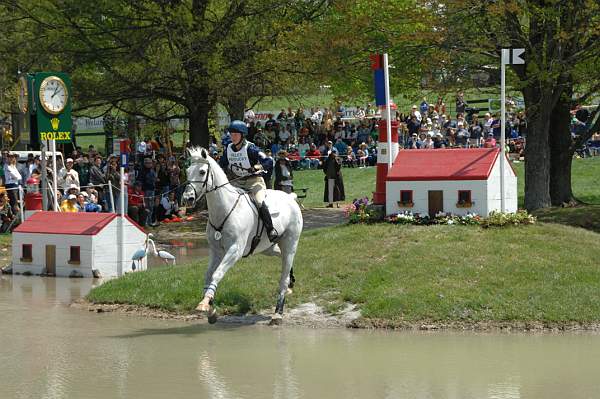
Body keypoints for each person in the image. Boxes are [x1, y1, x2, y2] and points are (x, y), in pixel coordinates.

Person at [219, 120, 278, 242]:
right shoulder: (228, 149)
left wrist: (257, 167)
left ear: (242, 135)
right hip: (236, 182)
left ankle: (270, 229)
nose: (233, 137)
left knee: (259, 202)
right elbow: (222, 164)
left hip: (253, 181)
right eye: (231, 134)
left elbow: (269, 161)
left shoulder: (251, 149)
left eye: (235, 134)